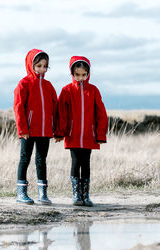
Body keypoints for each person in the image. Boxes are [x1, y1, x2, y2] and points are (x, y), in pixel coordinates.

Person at [55, 56, 108, 207]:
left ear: (88, 74)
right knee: (75, 163)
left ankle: (86, 195)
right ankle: (76, 195)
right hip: (72, 135)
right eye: (77, 75)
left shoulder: (93, 90)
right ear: (72, 74)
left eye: (84, 75)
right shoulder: (66, 90)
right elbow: (61, 113)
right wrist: (60, 132)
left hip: (88, 135)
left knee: (86, 164)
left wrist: (100, 134)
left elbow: (101, 113)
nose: (80, 78)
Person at [13, 49, 57, 205]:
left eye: (45, 66)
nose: (42, 69)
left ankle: (42, 194)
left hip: (45, 131)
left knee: (41, 160)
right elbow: (18, 108)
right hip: (28, 131)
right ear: (31, 65)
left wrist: (56, 129)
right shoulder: (23, 84)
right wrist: (23, 129)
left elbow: (55, 108)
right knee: (24, 159)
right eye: (38, 65)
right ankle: (21, 193)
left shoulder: (48, 86)